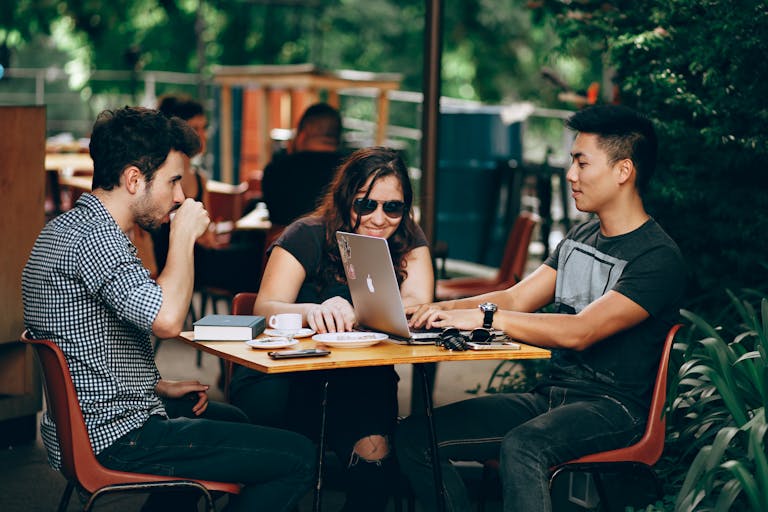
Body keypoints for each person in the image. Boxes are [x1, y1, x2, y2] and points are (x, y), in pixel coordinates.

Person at [22, 106, 315, 512]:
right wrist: (183, 238)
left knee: (236, 422)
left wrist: (155, 386)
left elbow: (85, 343)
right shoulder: (96, 241)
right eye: (174, 181)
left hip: (86, 424)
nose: (180, 195)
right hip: (115, 435)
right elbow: (168, 320)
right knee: (298, 457)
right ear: (134, 180)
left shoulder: (66, 228)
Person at [397, 104, 687, 511]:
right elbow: (517, 297)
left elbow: (581, 330)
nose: (571, 174)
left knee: (524, 445)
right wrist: (436, 309)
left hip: (615, 409)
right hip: (552, 397)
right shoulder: (582, 234)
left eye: (582, 162)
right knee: (416, 439)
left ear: (623, 171)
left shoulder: (657, 256)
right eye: (572, 161)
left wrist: (481, 317)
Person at [229, 146, 434, 511]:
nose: (379, 218)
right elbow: (264, 308)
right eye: (365, 204)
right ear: (345, 200)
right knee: (290, 454)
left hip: (357, 376)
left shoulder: (407, 239)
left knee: (375, 464)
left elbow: (417, 304)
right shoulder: (306, 234)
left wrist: (359, 309)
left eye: (393, 206)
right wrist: (314, 310)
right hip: (287, 373)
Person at [261, 102, 346, 227]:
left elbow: (275, 217)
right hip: (334, 244)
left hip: (283, 243)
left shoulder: (276, 169)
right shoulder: (351, 170)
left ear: (302, 134)